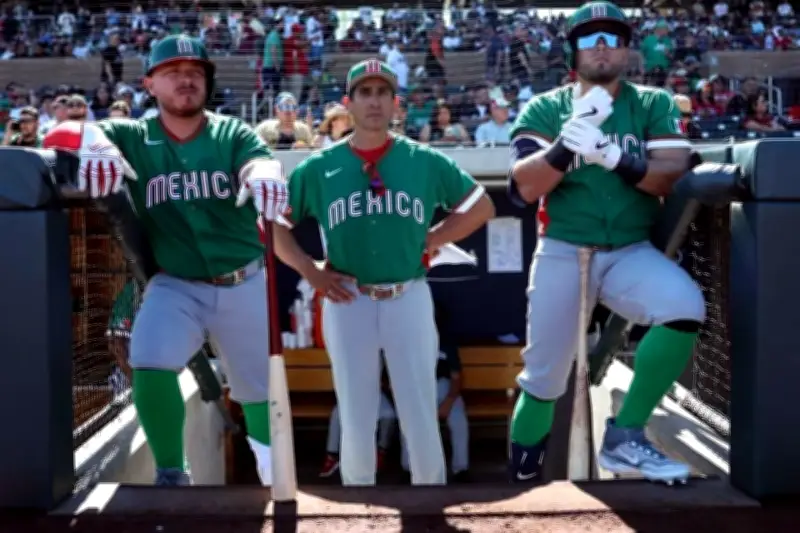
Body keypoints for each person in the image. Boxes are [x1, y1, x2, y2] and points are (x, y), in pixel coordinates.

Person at [43, 35, 288, 487]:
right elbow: (56, 134)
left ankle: (273, 476)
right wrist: (92, 138)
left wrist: (265, 172)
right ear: (150, 83)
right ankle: (172, 474)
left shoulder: (230, 131)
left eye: (195, 72)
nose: (186, 80)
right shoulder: (131, 134)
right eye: (173, 72)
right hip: (176, 283)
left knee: (256, 389)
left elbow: (257, 161)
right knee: (149, 357)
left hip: (243, 279)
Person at [273, 58, 495, 486]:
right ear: (348, 103)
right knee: (356, 414)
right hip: (347, 297)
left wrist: (431, 239)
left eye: (382, 93)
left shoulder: (423, 160)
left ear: (396, 103)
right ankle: (358, 511)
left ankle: (430, 504)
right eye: (364, 92)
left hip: (407, 294)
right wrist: (309, 270)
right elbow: (276, 226)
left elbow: (482, 206)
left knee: (419, 411)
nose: (374, 101)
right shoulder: (320, 167)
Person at [507, 1, 702, 486]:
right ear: (573, 49)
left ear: (625, 50)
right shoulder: (546, 107)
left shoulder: (651, 104)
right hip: (562, 246)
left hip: (629, 249)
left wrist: (615, 157)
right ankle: (521, 478)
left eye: (611, 38)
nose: (601, 47)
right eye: (590, 37)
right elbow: (523, 188)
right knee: (545, 379)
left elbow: (671, 175)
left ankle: (626, 436)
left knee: (684, 306)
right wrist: (565, 146)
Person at [400, 300, 470, 482]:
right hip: (416, 389)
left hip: (443, 388)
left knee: (458, 419)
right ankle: (408, 468)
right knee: (408, 418)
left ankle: (460, 468)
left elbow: (456, 377)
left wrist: (448, 401)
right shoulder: (409, 341)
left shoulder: (446, 342)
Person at [320, 358, 397, 479]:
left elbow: (389, 374)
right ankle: (332, 456)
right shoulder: (349, 346)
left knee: (389, 415)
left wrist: (384, 383)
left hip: (375, 392)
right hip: (353, 392)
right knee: (338, 414)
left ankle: (380, 453)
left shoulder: (382, 348)